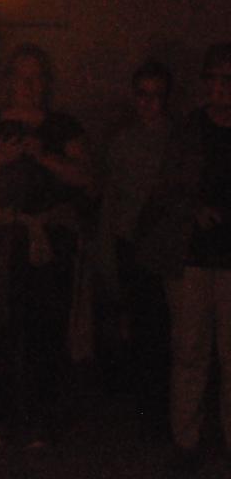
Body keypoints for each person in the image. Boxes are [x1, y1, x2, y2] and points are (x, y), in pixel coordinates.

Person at [0, 43, 92, 448]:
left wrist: (44, 157)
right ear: (7, 81)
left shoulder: (62, 127)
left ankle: (41, 421)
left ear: (45, 83)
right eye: (20, 76)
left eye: (36, 77)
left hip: (47, 247)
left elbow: (86, 178)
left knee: (45, 333)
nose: (28, 85)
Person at [144, 43, 231, 474]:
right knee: (191, 351)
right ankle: (187, 439)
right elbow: (166, 189)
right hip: (193, 256)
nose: (218, 89)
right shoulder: (190, 131)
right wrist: (193, 210)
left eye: (226, 80)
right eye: (212, 79)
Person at [94, 60, 173, 431]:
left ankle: (159, 410)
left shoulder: (177, 141)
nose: (149, 103)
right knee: (139, 328)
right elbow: (111, 199)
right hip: (131, 246)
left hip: (167, 249)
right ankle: (145, 410)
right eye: (143, 95)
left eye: (156, 95)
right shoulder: (122, 143)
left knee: (165, 331)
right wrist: (107, 252)